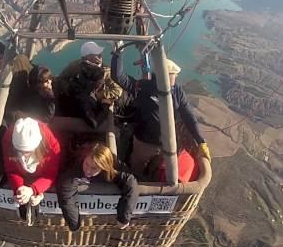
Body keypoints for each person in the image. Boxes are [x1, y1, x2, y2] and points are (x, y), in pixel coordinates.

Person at [111, 47, 211, 177]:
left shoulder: (177, 91)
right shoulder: (144, 87)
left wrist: (201, 141)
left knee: (161, 170)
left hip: (167, 144)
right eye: (174, 75)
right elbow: (118, 76)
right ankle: (135, 184)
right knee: (137, 167)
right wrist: (118, 52)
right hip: (144, 142)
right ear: (165, 75)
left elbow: (188, 115)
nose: (176, 78)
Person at [57, 142, 139, 231]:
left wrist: (124, 218)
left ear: (104, 167)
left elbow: (130, 181)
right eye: (86, 164)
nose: (88, 170)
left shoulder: (113, 167)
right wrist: (74, 225)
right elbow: (65, 193)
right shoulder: (75, 165)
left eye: (94, 168)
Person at [1, 117, 61, 221]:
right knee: (25, 213)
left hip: (41, 178)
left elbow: (50, 174)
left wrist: (34, 190)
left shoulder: (51, 146)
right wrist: (19, 189)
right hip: (25, 177)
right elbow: (12, 169)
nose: (24, 154)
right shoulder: (7, 140)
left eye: (27, 151)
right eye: (20, 151)